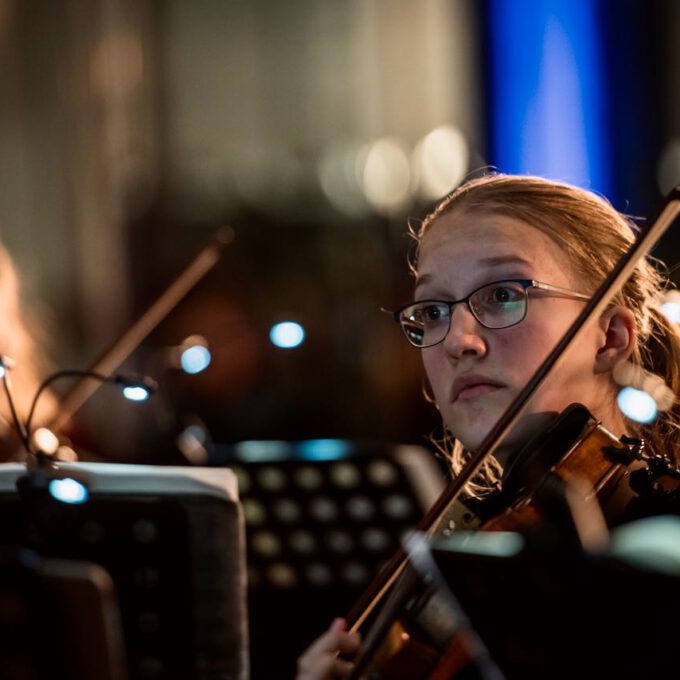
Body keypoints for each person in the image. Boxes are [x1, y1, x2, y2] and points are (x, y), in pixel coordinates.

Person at [295, 173, 680, 679]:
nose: (458, 341)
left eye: (502, 295)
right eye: (433, 311)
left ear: (609, 338)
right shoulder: (479, 540)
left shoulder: (661, 540)